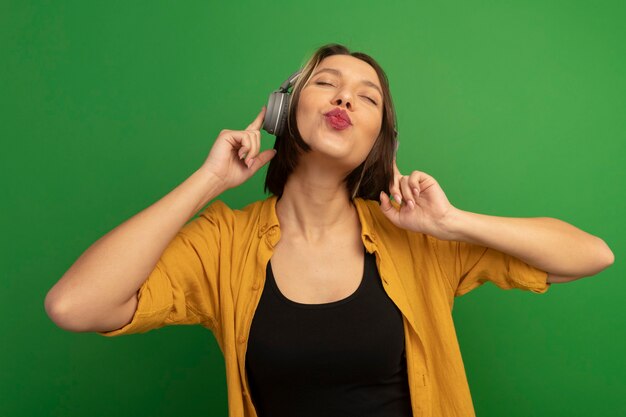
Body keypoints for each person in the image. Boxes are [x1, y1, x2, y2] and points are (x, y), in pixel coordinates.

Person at [44, 43, 615, 417]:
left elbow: (591, 255)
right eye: (327, 84)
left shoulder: (419, 240)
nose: (346, 96)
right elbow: (74, 306)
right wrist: (208, 181)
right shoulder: (222, 242)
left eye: (368, 97)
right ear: (282, 110)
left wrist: (452, 222)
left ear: (377, 141)